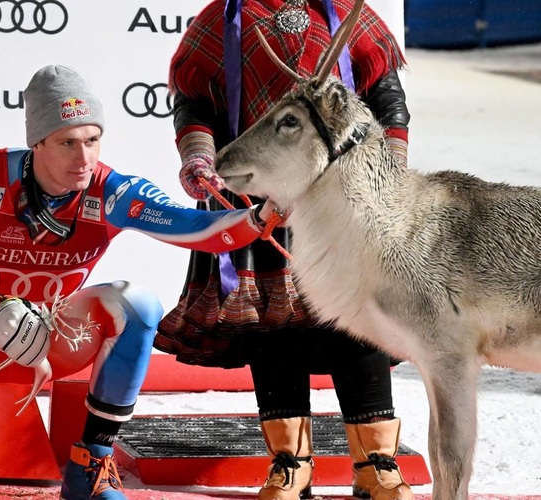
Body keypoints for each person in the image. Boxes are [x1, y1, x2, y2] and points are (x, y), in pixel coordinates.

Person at [0, 64, 276, 500]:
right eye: (67, 143)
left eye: (92, 141)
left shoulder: (112, 190)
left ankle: (91, 462)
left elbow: (195, 227)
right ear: (37, 143)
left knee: (138, 303)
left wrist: (260, 217)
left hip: (52, 334)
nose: (84, 159)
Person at [152, 1, 413, 499]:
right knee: (270, 325)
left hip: (341, 200)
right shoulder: (221, 20)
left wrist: (390, 170)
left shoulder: (345, 13)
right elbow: (194, 103)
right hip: (256, 195)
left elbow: (387, 97)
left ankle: (377, 465)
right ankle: (290, 465)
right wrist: (201, 158)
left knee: (357, 326)